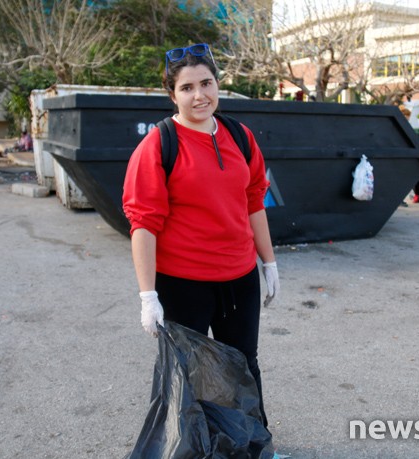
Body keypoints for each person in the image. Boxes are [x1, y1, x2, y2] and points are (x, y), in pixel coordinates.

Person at [122, 43, 279, 427]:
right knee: (187, 375)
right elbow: (143, 223)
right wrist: (148, 296)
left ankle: (252, 445)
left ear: (218, 85)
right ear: (172, 95)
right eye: (187, 88)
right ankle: (192, 448)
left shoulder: (239, 136)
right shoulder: (159, 145)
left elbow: (254, 201)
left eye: (206, 83)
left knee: (243, 366)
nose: (199, 95)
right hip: (183, 283)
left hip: (240, 278)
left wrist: (269, 261)